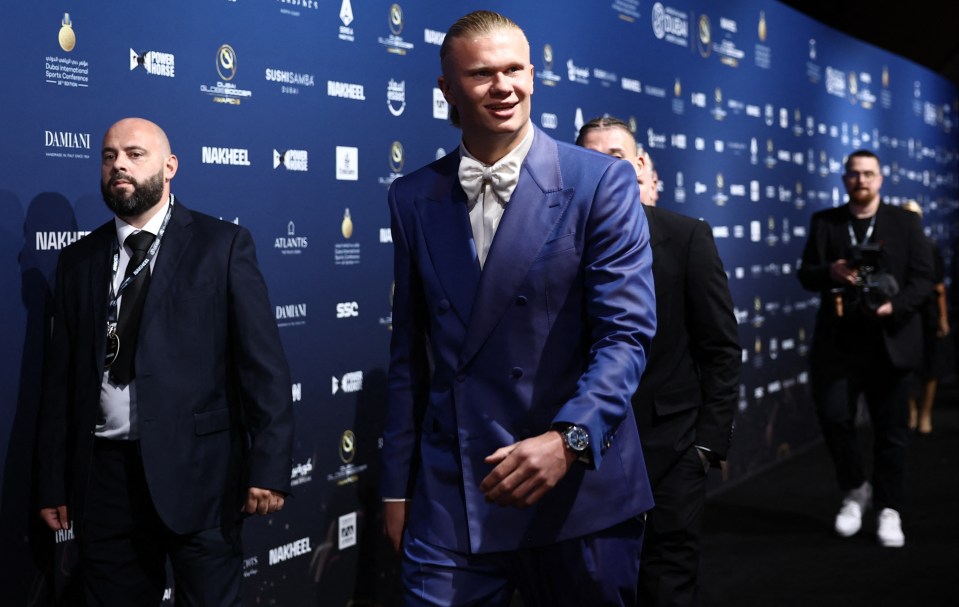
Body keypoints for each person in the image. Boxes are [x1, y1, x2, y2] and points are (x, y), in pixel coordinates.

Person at [381, 11, 657, 607]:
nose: (503, 86)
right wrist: (397, 489)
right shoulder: (411, 197)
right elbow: (410, 354)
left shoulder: (600, 182)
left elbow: (625, 337)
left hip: (576, 490)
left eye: (514, 70)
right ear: (447, 89)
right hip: (452, 495)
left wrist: (569, 439)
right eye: (482, 74)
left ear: (533, 75)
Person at [36, 117, 294, 605]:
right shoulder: (78, 261)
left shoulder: (222, 246)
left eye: (135, 154)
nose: (120, 166)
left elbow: (265, 367)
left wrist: (270, 466)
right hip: (105, 483)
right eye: (109, 156)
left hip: (202, 477)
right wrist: (54, 480)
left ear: (170, 166)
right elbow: (60, 382)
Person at [577, 117, 741, 606]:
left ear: (640, 165)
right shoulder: (558, 242)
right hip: (587, 454)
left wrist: (707, 447)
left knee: (666, 585)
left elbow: (720, 347)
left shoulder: (686, 236)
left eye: (616, 157)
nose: (604, 169)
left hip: (672, 454)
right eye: (591, 159)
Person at [797, 150, 934, 548]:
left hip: (891, 341)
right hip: (838, 344)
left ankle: (890, 507)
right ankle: (856, 488)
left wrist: (895, 306)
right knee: (835, 418)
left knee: (891, 432)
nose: (861, 180)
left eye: (869, 174)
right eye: (854, 174)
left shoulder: (905, 222)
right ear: (844, 179)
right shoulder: (826, 222)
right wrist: (831, 272)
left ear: (881, 178)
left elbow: (924, 280)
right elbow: (806, 274)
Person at [901, 200, 950, 434]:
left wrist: (943, 317)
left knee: (932, 365)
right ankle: (911, 408)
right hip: (905, 315)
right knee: (907, 366)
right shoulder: (892, 250)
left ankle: (926, 413)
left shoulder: (930, 247)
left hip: (928, 313)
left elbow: (939, 286)